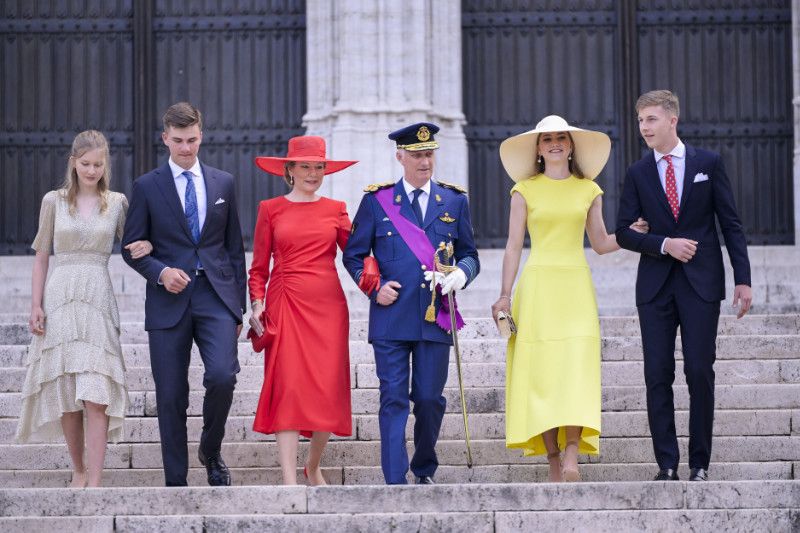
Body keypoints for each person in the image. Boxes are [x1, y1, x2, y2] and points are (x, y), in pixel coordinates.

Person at [491, 115, 650, 482]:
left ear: (572, 145)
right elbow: (514, 246)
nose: (555, 143)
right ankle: (552, 457)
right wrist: (503, 294)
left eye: (561, 138)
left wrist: (635, 235)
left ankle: (573, 455)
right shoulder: (524, 190)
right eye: (547, 139)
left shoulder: (588, 189)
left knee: (576, 370)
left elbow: (601, 242)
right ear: (539, 148)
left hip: (575, 287)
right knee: (543, 374)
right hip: (538, 288)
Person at [615, 90, 752, 482]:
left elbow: (731, 224)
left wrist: (743, 278)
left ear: (672, 120)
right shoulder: (637, 173)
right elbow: (624, 232)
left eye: (652, 119)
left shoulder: (709, 163)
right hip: (655, 288)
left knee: (699, 371)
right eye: (641, 120)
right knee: (657, 374)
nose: (644, 127)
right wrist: (663, 244)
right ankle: (667, 463)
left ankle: (700, 463)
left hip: (701, 286)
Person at [343, 122, 480, 485]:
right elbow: (353, 257)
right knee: (393, 398)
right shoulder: (377, 201)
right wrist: (374, 288)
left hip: (435, 316)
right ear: (400, 156)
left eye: (430, 154)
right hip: (391, 317)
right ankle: (394, 479)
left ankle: (423, 468)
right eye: (417, 155)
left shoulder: (453, 201)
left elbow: (470, 255)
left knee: (429, 399)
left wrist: (460, 275)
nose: (425, 162)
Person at [15, 130, 152, 487]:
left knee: (96, 393)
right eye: (86, 163)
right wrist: (35, 305)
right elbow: (42, 257)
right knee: (68, 394)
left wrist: (148, 244)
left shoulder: (117, 202)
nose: (92, 170)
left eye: (98, 164)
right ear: (73, 163)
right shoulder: (53, 202)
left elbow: (133, 241)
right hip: (61, 297)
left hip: (97, 298)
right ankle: (78, 470)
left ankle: (95, 478)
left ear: (106, 164)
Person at [122, 102, 247, 487]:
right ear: (165, 139)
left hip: (216, 298)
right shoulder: (146, 186)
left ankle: (210, 450)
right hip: (167, 303)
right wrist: (160, 272)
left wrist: (239, 309)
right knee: (172, 395)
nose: (186, 148)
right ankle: (176, 481)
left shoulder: (223, 182)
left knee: (223, 376)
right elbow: (131, 246)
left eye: (192, 140)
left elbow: (233, 249)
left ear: (201, 135)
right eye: (178, 141)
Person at [247, 136, 358, 486]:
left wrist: (382, 274)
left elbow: (356, 255)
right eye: (305, 166)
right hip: (285, 304)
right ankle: (289, 480)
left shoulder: (337, 208)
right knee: (289, 387)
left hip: (328, 308)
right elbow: (259, 267)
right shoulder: (270, 209)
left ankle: (312, 466)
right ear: (289, 170)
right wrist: (256, 302)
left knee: (327, 389)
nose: (313, 173)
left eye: (319, 166)